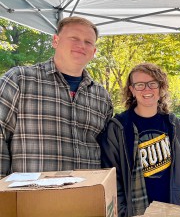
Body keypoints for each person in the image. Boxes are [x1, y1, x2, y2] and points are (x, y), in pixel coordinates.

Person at [0, 16, 113, 178]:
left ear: (94, 51)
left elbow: (106, 151)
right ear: (55, 41)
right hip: (30, 198)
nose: (81, 45)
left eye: (88, 42)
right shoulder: (20, 79)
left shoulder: (102, 97)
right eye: (74, 38)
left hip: (86, 196)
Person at [101, 63, 180, 217]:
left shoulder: (175, 125)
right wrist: (122, 213)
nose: (147, 89)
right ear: (131, 90)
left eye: (152, 83)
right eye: (140, 85)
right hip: (135, 216)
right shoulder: (118, 127)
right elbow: (111, 176)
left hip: (172, 212)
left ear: (161, 88)